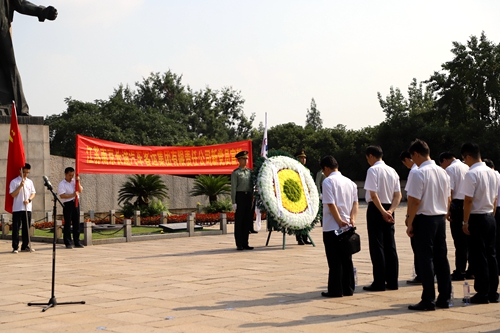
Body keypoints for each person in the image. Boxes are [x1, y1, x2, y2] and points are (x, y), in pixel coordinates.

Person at [406, 139, 451, 310]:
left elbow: (415, 201)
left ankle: (428, 299)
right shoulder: (442, 172)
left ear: (416, 154)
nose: (413, 161)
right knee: (441, 258)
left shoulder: (419, 172)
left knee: (425, 259)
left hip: (425, 218)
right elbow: (448, 198)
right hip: (439, 217)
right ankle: (445, 297)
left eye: (413, 157)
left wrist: (410, 221)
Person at [0, 1, 57, 115]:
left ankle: (19, 109)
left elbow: (20, 4)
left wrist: (42, 11)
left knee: (9, 66)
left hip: (2, 29)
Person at [460, 143, 499, 304]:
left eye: (464, 159)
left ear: (468, 156)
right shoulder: (494, 173)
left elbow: (468, 200)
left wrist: (465, 221)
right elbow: (496, 198)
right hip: (490, 216)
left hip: (477, 217)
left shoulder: (471, 174)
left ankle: (482, 292)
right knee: (491, 255)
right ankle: (493, 291)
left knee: (478, 256)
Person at [363, 145, 402, 291]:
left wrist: (382, 211)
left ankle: (379, 282)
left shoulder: (372, 170)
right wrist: (390, 211)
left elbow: (373, 195)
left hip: (376, 208)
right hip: (389, 208)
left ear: (371, 156)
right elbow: (398, 195)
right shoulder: (392, 171)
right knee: (390, 246)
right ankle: (392, 282)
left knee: (377, 246)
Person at [320, 155, 358, 298]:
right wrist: (352, 219)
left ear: (327, 168)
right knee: (346, 258)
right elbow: (355, 203)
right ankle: (348, 288)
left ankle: (336, 289)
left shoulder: (328, 181)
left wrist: (339, 220)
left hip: (332, 226)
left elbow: (331, 204)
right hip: (348, 226)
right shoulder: (350, 182)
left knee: (334, 259)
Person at [438, 151, 472, 281]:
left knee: (459, 241)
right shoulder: (467, 166)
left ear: (445, 160)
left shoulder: (451, 169)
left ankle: (460, 270)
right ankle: (471, 270)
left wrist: (448, 209)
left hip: (457, 205)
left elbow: (450, 191)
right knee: (469, 240)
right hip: (469, 204)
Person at [399, 150, 421, 285]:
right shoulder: (436, 170)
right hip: (437, 216)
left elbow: (412, 198)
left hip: (420, 214)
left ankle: (421, 274)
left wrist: (409, 217)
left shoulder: (415, 172)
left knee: (418, 247)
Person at [9, 163, 36, 253]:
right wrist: (20, 186)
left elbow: (33, 193)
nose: (26, 174)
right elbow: (13, 194)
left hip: (27, 207)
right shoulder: (14, 182)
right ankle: (15, 247)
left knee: (26, 228)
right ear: (20, 171)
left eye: (27, 173)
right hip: (17, 208)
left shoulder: (30, 182)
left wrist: (29, 200)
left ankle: (25, 246)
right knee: (16, 228)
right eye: (24, 172)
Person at [231, 151, 254, 250]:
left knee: (247, 220)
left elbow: (252, 185)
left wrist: (253, 197)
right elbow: (233, 188)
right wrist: (233, 201)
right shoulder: (236, 173)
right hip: (239, 196)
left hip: (248, 196)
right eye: (244, 159)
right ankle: (239, 243)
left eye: (246, 159)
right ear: (239, 160)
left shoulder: (249, 172)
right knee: (239, 221)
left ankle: (245, 242)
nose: (246, 160)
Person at [58, 167, 84, 249]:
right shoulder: (62, 184)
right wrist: (72, 195)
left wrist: (78, 181)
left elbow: (80, 191)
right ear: (65, 174)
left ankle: (77, 241)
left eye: (72, 175)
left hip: (75, 203)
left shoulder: (74, 182)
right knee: (68, 223)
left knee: (76, 222)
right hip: (67, 204)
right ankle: (68, 242)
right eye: (69, 175)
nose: (71, 177)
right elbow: (62, 195)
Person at [484, 159, 500, 272]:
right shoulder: (497, 175)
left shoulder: (491, 175)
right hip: (496, 208)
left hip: (494, 209)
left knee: (493, 242)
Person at [295, 149, 312, 245]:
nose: (303, 159)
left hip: (306, 196)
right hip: (298, 195)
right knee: (298, 217)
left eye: (304, 158)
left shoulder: (307, 170)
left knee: (306, 217)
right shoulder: (294, 169)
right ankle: (299, 238)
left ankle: (305, 237)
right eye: (301, 157)